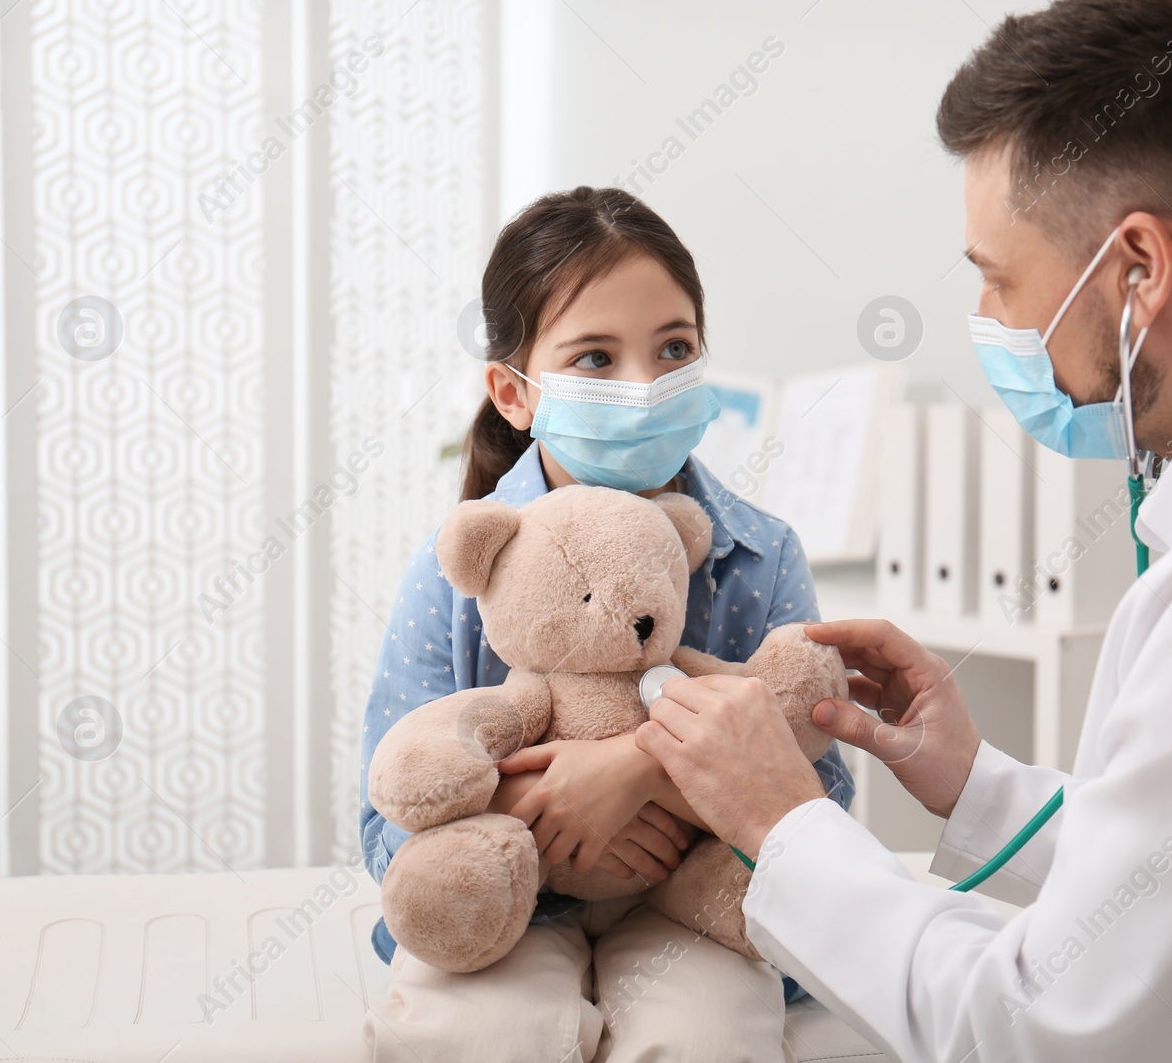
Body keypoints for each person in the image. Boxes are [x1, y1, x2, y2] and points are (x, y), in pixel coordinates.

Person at [635, 0, 1172, 1060]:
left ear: (1138, 265)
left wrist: (782, 822)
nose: (991, 325)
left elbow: (1051, 1027)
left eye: (998, 278)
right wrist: (972, 779)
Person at [357, 185, 856, 1062]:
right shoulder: (461, 568)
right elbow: (388, 812)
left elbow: (823, 800)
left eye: (674, 349)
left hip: (691, 908)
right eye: (595, 357)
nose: (644, 385)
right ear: (514, 394)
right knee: (481, 1034)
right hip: (507, 901)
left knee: (710, 1038)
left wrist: (635, 771)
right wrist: (538, 803)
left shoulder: (761, 555)